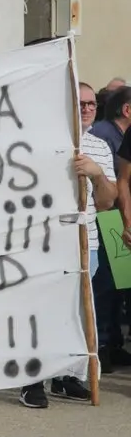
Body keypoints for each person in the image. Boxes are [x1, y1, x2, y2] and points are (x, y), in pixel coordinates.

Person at [20, 82, 115, 407]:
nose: (87, 108)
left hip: (85, 244)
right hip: (47, 242)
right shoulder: (43, 143)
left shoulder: (100, 147)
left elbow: (106, 203)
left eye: (91, 104)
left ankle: (66, 376)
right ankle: (32, 378)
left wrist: (96, 175)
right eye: (81, 103)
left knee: (76, 314)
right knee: (43, 313)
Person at [89, 86, 131, 371]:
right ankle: (104, 343)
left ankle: (111, 342)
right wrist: (126, 221)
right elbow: (121, 181)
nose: (87, 110)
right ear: (126, 110)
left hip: (114, 217)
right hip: (109, 219)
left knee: (118, 287)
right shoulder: (103, 135)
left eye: (91, 104)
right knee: (107, 285)